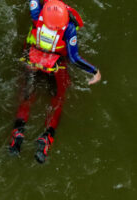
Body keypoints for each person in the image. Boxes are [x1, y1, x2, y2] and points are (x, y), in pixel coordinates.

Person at [9, 0, 101, 163]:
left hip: (32, 57)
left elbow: (33, 2)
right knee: (58, 97)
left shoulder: (37, 14)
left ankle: (18, 131)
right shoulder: (69, 28)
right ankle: (46, 138)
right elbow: (74, 58)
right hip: (56, 64)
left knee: (26, 92)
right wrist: (94, 71)